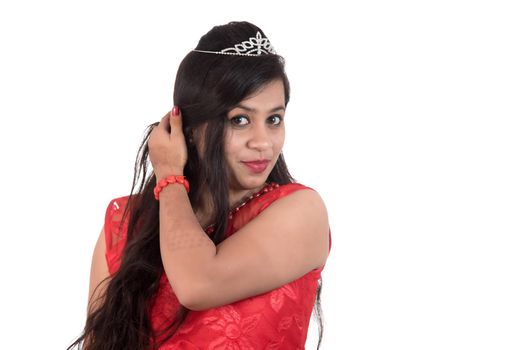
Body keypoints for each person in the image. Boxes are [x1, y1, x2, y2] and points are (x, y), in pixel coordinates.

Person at [69, 21, 332, 350]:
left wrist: (169, 176)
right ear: (189, 127)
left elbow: (197, 284)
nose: (263, 142)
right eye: (240, 119)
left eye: (274, 119)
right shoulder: (125, 224)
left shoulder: (300, 212)